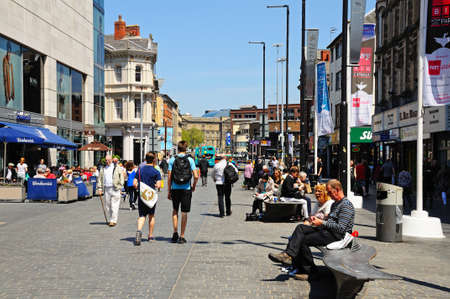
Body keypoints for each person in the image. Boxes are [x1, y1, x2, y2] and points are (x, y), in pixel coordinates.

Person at [268, 179, 355, 281]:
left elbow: (341, 228)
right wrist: (319, 220)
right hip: (327, 231)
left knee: (303, 240)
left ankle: (311, 272)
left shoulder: (346, 205)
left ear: (337, 189)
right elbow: (331, 220)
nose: (329, 195)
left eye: (330, 192)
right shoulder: (336, 203)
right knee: (301, 228)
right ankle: (288, 254)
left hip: (337, 236)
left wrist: (321, 222)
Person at [167, 141, 198, 244]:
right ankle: (182, 236)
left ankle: (175, 232)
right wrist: (193, 186)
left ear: (178, 149)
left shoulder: (172, 159)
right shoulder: (190, 160)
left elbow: (169, 177)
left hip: (175, 188)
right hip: (186, 188)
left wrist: (169, 190)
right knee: (184, 212)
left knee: (175, 210)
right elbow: (196, 176)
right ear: (186, 149)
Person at [133, 152, 162, 246]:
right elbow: (158, 185)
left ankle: (139, 231)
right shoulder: (156, 172)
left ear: (145, 159)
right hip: (151, 197)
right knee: (151, 215)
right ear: (154, 160)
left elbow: (134, 183)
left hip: (142, 195)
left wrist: (138, 186)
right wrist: (155, 185)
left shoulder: (140, 170)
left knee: (142, 216)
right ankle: (150, 235)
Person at [97, 155, 125, 227]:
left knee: (114, 205)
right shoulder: (103, 168)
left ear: (112, 160)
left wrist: (120, 186)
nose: (107, 161)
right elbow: (100, 178)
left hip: (115, 188)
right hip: (106, 188)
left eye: (109, 160)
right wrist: (99, 188)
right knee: (108, 205)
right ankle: (110, 219)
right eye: (106, 160)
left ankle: (113, 220)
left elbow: (121, 177)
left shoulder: (116, 167)